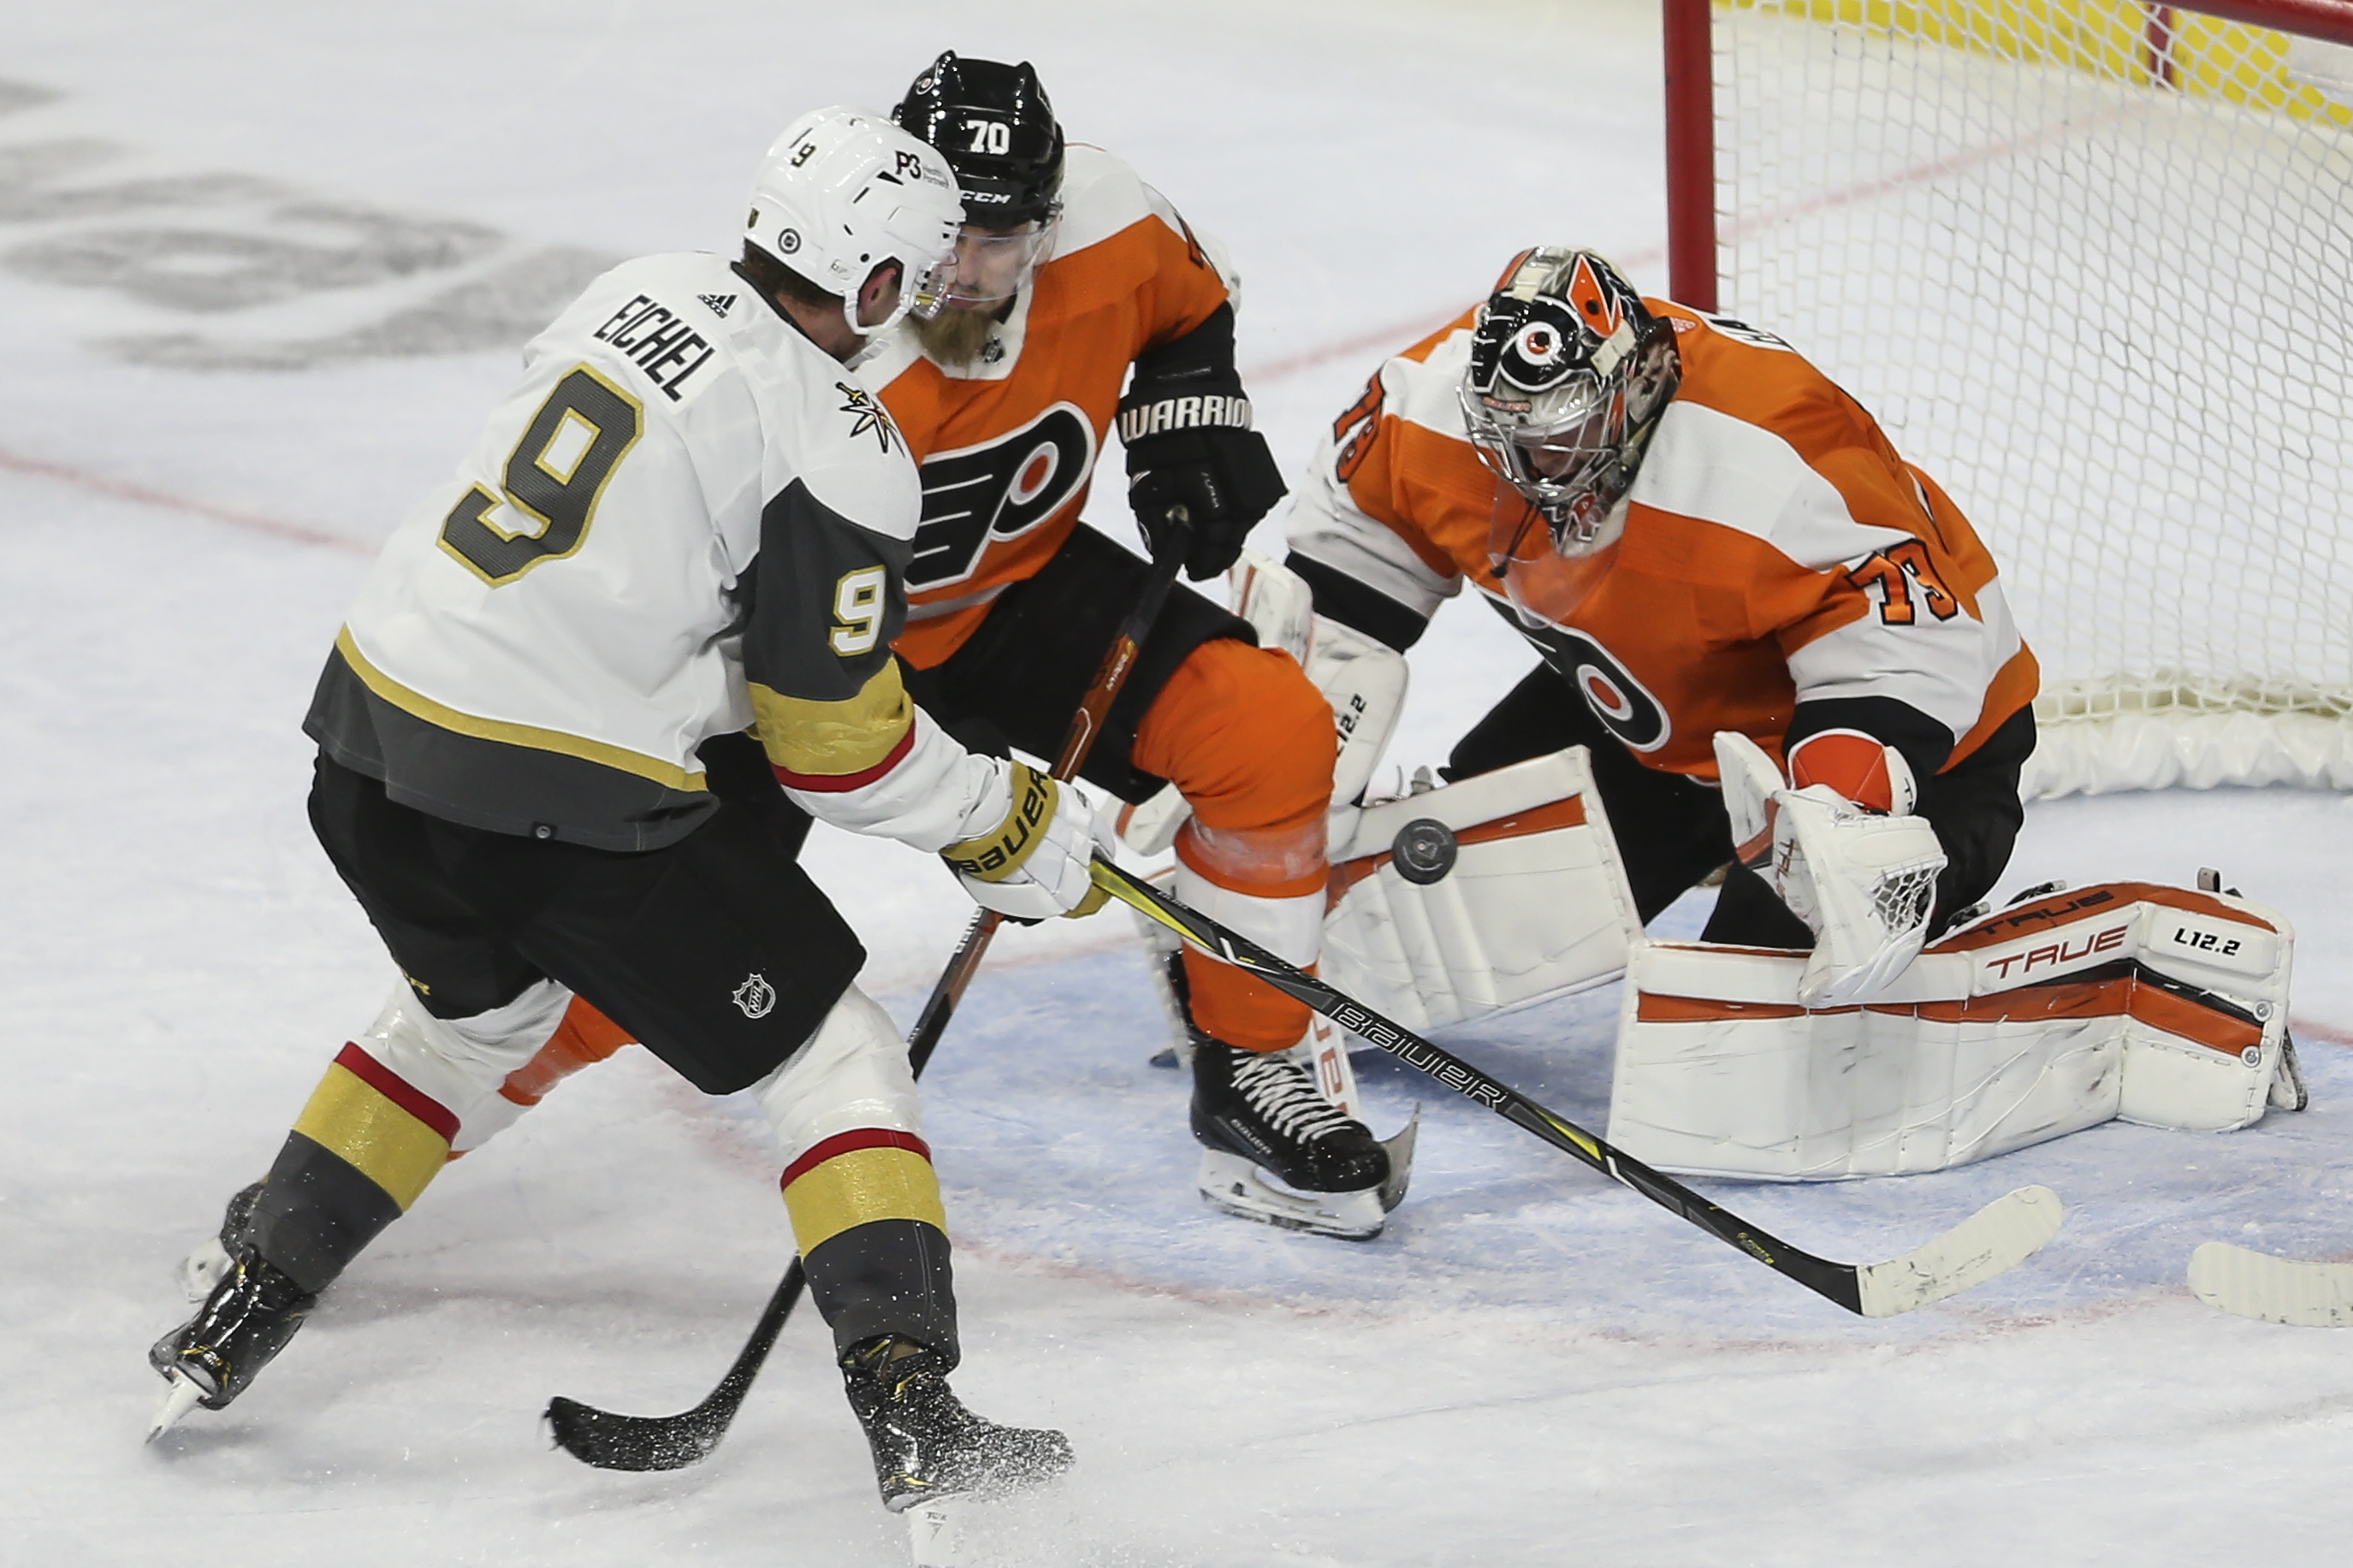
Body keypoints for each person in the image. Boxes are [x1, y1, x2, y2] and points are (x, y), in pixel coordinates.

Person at [149, 107, 1099, 1514]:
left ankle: (240, 1311)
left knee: (477, 1024)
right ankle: (913, 1412)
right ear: (877, 283)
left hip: (361, 742)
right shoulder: (841, 442)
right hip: (551, 794)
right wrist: (1000, 819)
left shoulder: (634, 288)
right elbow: (836, 752)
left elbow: (620, 567)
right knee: (835, 1057)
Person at [536, 53, 1399, 1240]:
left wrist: (1184, 419)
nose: (966, 272)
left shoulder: (1114, 223)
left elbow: (1189, 310)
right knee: (639, 941)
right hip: (788, 664)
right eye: (949, 233)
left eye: (1003, 239)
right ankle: (386, 1149)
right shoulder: (818, 345)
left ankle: (1248, 1069)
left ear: (1045, 223)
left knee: (1267, 730)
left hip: (1011, 604)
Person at [1281, 246, 2040, 999]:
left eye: (1558, 438)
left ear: (1636, 382)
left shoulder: (1769, 452)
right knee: (1432, 919)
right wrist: (1277, 782)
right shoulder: (1425, 410)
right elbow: (1344, 608)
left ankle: (1935, 910)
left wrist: (1839, 819)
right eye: (1508, 438)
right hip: (1659, 717)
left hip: (1912, 741)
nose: (1529, 469)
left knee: (1754, 999)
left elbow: (1914, 644)